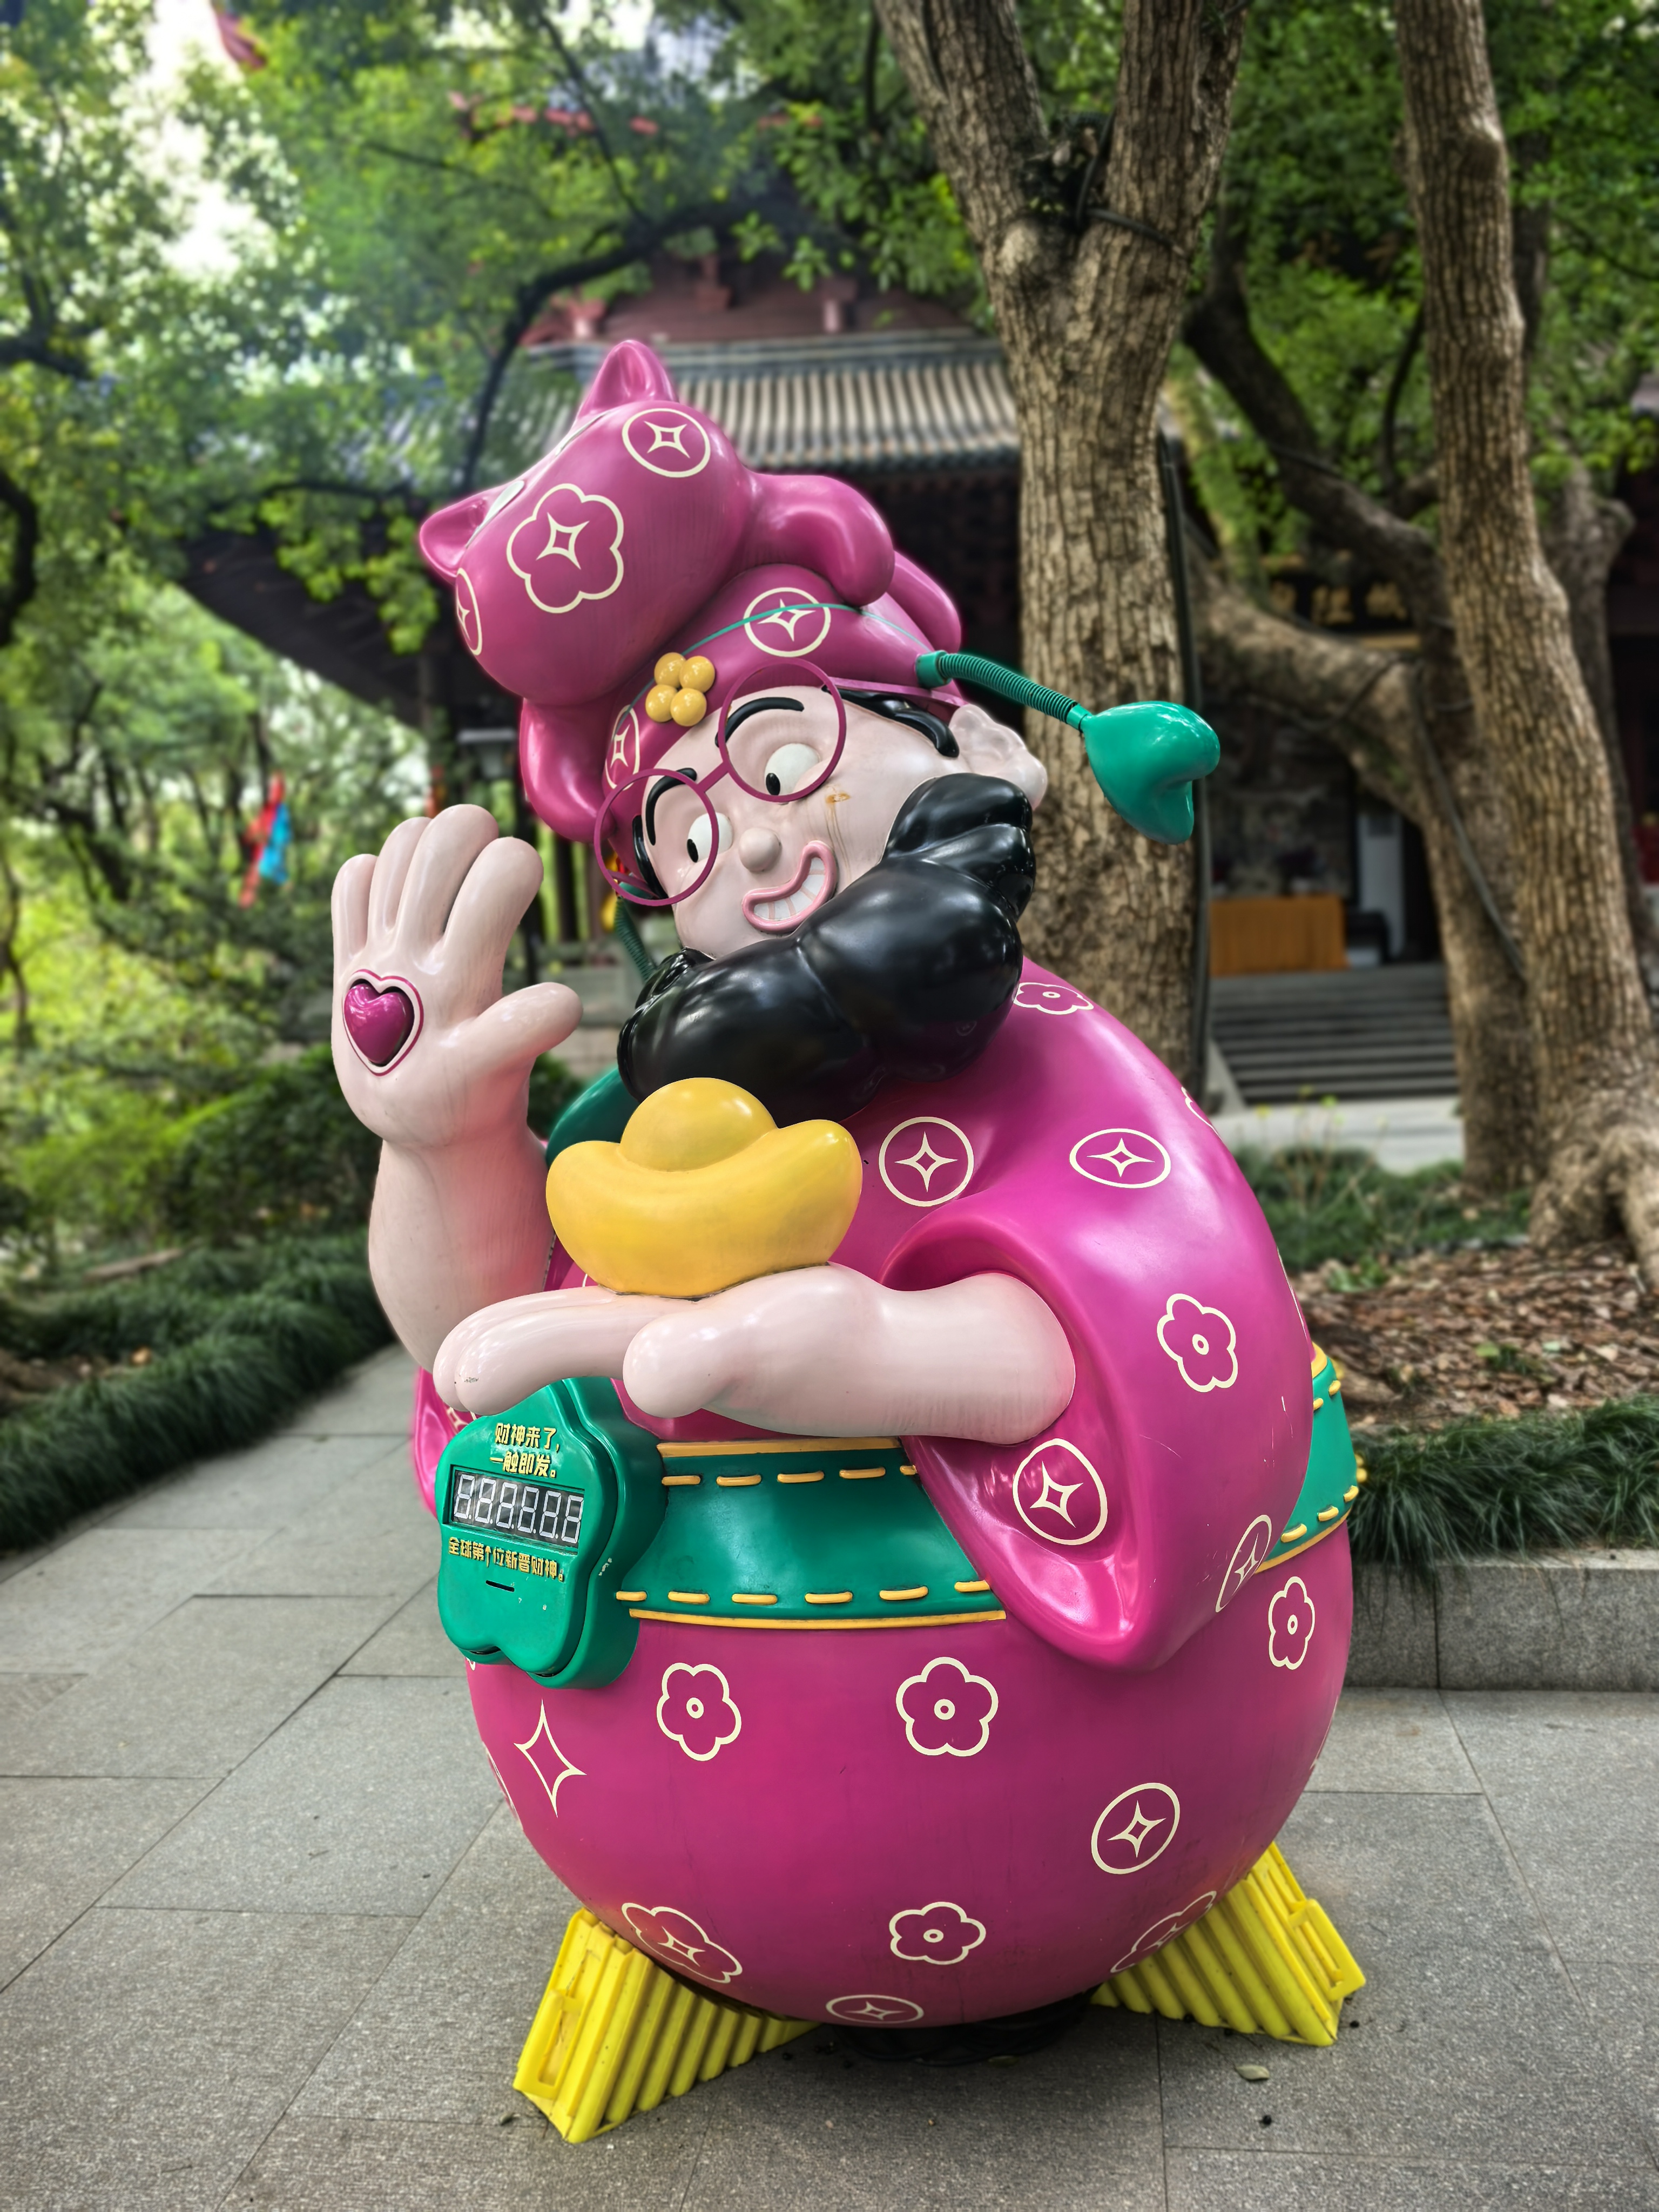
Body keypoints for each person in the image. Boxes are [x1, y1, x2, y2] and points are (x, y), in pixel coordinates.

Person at [330, 342, 1353, 2028]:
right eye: (681, 830)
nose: (743, 843)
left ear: (967, 740)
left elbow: (1167, 1319)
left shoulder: (1056, 1064)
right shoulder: (671, 1107)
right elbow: (476, 1339)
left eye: (786, 751)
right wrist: (436, 1142)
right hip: (678, 1779)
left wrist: (877, 1350)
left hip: (1081, 1787)